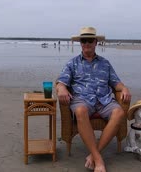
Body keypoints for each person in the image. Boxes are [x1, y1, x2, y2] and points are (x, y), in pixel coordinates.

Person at [56, 27, 131, 172]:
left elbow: (116, 83)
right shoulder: (73, 63)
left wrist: (125, 88)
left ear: (96, 42)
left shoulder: (105, 63)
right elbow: (61, 82)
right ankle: (99, 160)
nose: (87, 43)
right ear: (80, 43)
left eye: (90, 40)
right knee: (80, 110)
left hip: (104, 100)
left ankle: (93, 155)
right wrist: (62, 88)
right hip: (82, 99)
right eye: (84, 40)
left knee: (119, 113)